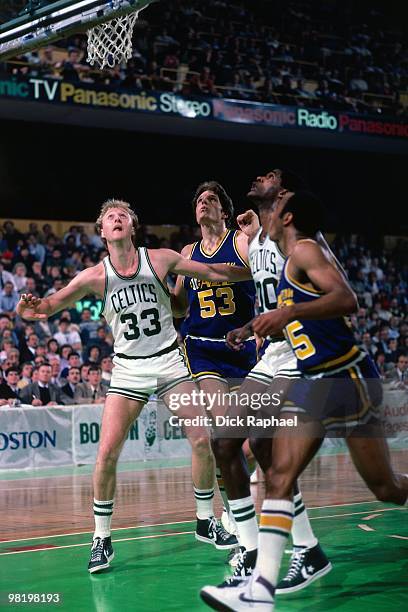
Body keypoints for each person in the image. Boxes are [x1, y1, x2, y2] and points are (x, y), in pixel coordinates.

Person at [16, 198, 252, 574]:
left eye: (123, 215)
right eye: (110, 217)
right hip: (128, 369)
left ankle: (205, 518)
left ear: (132, 225)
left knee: (202, 438)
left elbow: (215, 272)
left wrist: (251, 270)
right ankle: (101, 539)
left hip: (168, 360)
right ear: (103, 231)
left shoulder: (160, 258)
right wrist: (30, 308)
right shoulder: (95, 275)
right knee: (107, 453)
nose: (117, 219)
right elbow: (49, 306)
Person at [200, 190, 408, 611]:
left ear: (287, 216)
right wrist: (259, 325)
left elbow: (346, 300)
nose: (267, 210)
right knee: (277, 472)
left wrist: (285, 315)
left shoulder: (308, 250)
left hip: (347, 378)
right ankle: (261, 589)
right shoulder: (280, 259)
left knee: (385, 488)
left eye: (275, 205)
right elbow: (292, 315)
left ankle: (273, 575)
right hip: (314, 379)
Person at [208, 171, 330, 591]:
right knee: (225, 442)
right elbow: (270, 304)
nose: (262, 176)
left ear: (285, 197)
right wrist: (249, 327)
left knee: (268, 447)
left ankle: (304, 551)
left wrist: (285, 319)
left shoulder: (300, 238)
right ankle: (255, 550)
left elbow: (328, 294)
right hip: (271, 352)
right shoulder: (258, 239)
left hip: (302, 351)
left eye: (272, 176)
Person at [172, 180, 256, 547]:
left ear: (224, 210)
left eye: (211, 200)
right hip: (203, 349)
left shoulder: (239, 241)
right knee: (223, 430)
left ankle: (236, 502)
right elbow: (179, 305)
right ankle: (232, 513)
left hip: (243, 348)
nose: (203, 204)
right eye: (199, 200)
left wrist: (218, 271)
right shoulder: (187, 251)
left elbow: (261, 273)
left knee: (250, 443)